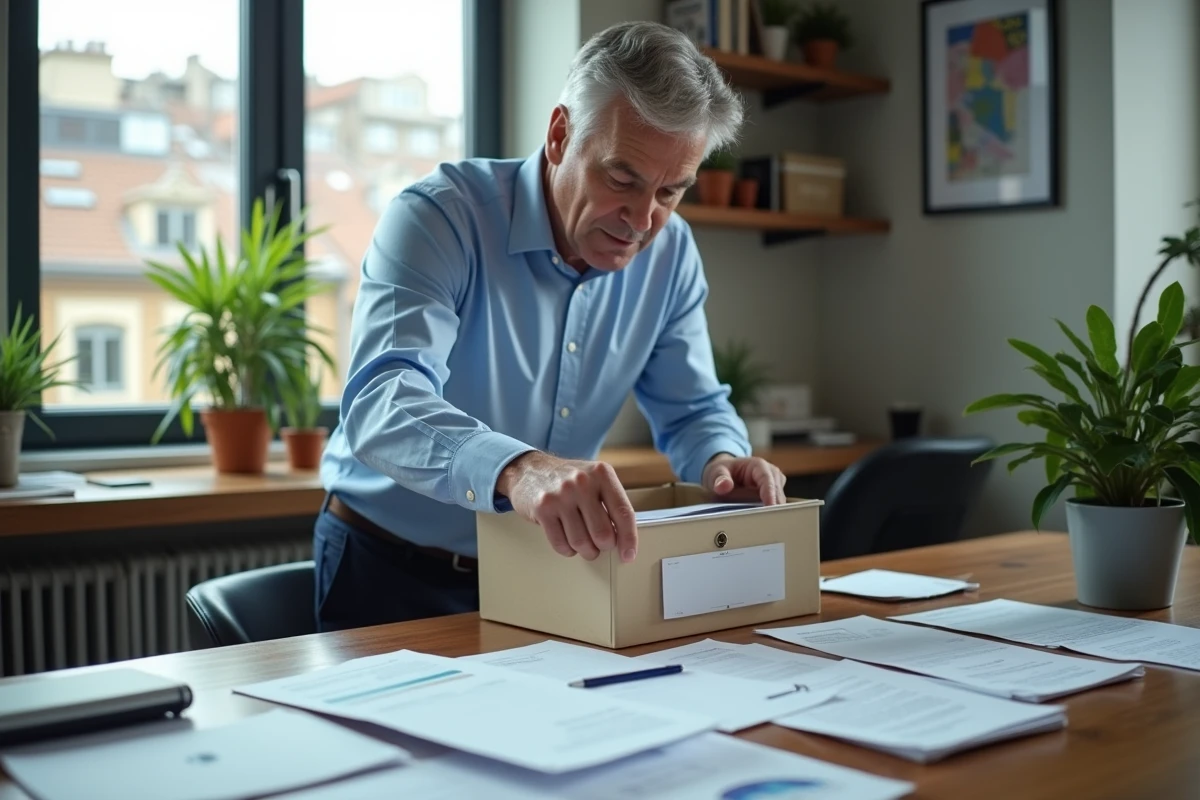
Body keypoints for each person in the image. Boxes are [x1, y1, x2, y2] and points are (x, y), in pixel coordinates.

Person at [314, 20, 789, 633]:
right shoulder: (439, 218)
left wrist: (724, 460)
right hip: (386, 569)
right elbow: (382, 402)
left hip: (544, 569)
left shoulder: (671, 256)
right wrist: (520, 469)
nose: (643, 220)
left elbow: (692, 408)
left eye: (672, 191)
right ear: (562, 135)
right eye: (622, 179)